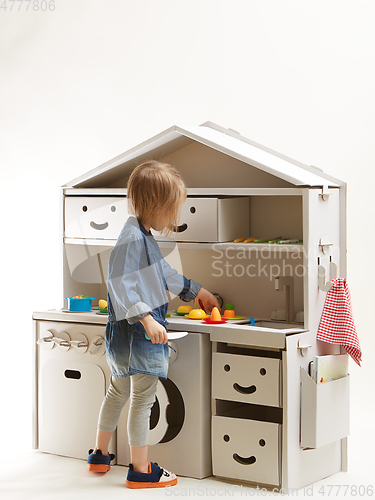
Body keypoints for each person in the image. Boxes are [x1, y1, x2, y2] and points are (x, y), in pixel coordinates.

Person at [87, 160, 220, 489]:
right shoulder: (132, 239)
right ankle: (141, 469)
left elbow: (164, 274)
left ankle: (100, 456)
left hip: (123, 337)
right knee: (143, 399)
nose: (173, 219)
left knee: (117, 393)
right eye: (171, 210)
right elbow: (121, 284)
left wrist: (197, 291)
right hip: (136, 335)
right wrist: (146, 319)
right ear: (154, 205)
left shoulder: (141, 236)